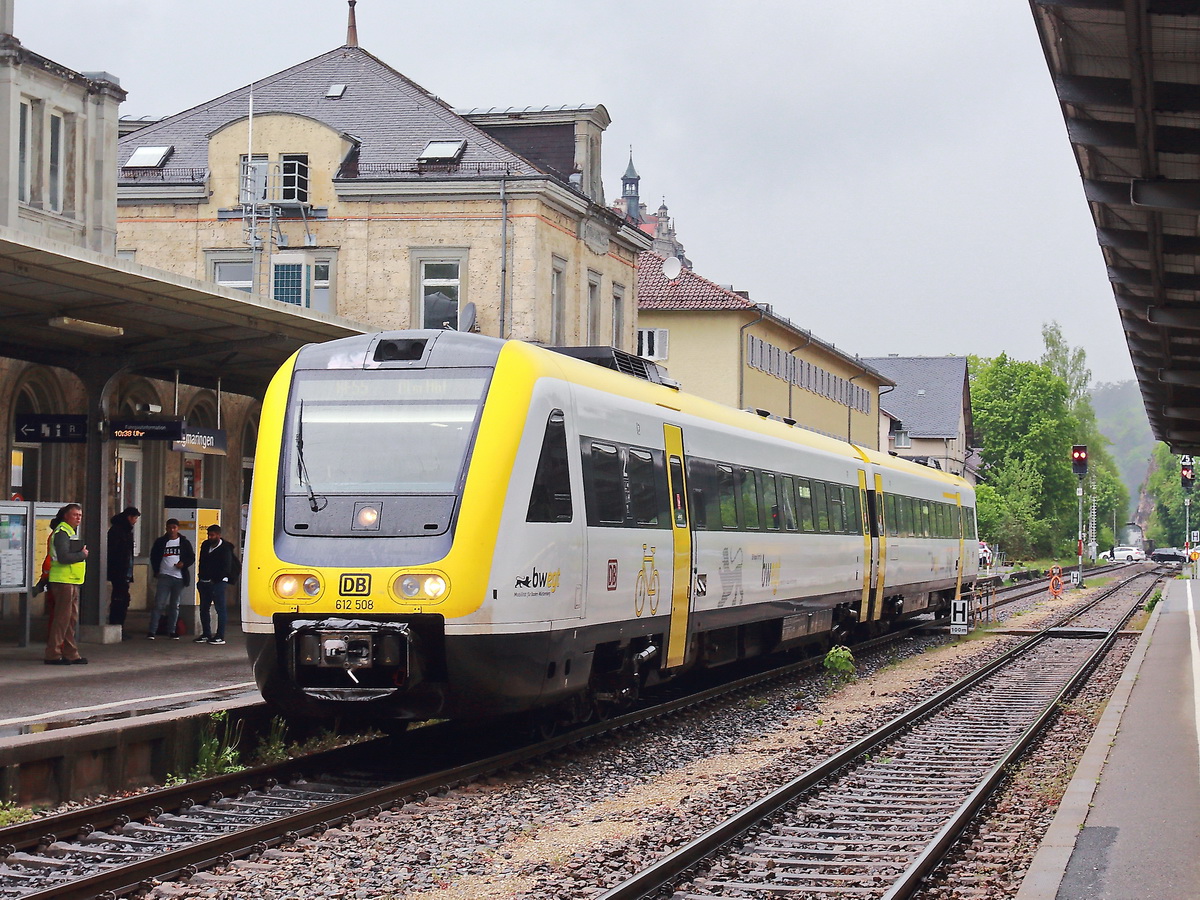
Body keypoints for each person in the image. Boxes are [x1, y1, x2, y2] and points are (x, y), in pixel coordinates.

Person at [44, 503, 88, 665]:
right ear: (66, 516)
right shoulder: (62, 532)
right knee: (62, 619)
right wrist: (82, 555)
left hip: (72, 580)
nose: (78, 518)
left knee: (70, 620)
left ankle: (71, 652)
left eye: (80, 515)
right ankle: (53, 654)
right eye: (75, 515)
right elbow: (63, 557)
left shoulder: (70, 531)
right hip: (63, 581)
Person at [148, 518, 195, 640]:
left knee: (175, 605)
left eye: (174, 528)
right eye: (169, 528)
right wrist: (156, 570)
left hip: (179, 577)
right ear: (166, 528)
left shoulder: (184, 542)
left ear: (178, 528)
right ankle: (152, 630)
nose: (172, 530)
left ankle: (172, 630)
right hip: (164, 576)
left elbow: (191, 557)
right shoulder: (161, 542)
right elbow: (154, 556)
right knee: (159, 604)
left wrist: (183, 564)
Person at [195, 524, 239, 645]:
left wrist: (215, 580)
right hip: (204, 582)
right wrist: (201, 578)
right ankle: (206, 634)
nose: (210, 537)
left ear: (218, 535)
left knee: (220, 608)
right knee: (204, 608)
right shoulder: (205, 545)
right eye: (208, 535)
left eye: (212, 535)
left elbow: (226, 567)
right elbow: (202, 562)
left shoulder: (225, 548)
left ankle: (220, 636)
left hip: (218, 583)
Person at [106, 506, 140, 638]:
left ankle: (119, 625)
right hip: (119, 570)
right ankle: (117, 624)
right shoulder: (118, 531)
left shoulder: (125, 530)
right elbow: (115, 552)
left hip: (124, 570)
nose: (135, 521)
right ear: (129, 517)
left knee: (123, 598)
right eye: (135, 518)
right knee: (120, 599)